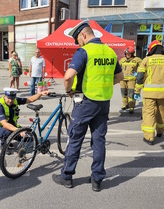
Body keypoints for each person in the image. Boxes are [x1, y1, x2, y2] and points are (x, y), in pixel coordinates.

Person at [52, 20, 123, 191]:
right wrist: (103, 86)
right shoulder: (110, 52)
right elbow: (120, 77)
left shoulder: (84, 51)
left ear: (84, 35)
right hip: (104, 102)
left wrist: (69, 91)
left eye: (78, 39)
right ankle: (97, 180)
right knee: (99, 141)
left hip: (82, 99)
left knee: (75, 138)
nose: (78, 43)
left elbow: (68, 77)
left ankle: (67, 176)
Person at [134, 40, 164, 145]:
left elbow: (139, 78)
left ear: (151, 49)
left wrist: (137, 91)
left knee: (148, 114)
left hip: (149, 94)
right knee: (162, 113)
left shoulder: (146, 60)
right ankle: (160, 132)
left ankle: (149, 138)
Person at [118, 46, 142, 113]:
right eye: (126, 54)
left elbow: (142, 67)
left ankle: (131, 107)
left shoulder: (137, 60)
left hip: (132, 79)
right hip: (122, 80)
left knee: (131, 93)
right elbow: (117, 68)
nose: (127, 55)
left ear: (132, 53)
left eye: (129, 54)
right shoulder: (122, 60)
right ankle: (125, 105)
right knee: (123, 92)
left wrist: (138, 73)